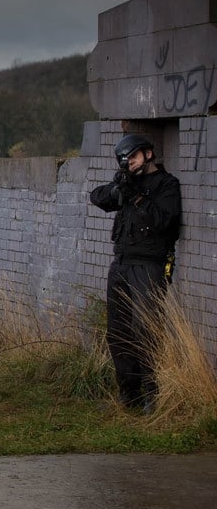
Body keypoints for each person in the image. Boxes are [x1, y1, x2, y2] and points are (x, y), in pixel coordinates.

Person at [89, 134, 181, 415]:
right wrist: (119, 186)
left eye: (133, 157)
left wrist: (137, 198)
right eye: (125, 160)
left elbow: (165, 221)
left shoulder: (166, 184)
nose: (129, 163)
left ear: (148, 154)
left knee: (147, 329)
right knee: (118, 331)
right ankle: (129, 394)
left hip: (149, 265)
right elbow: (98, 197)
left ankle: (152, 394)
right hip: (121, 264)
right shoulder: (128, 183)